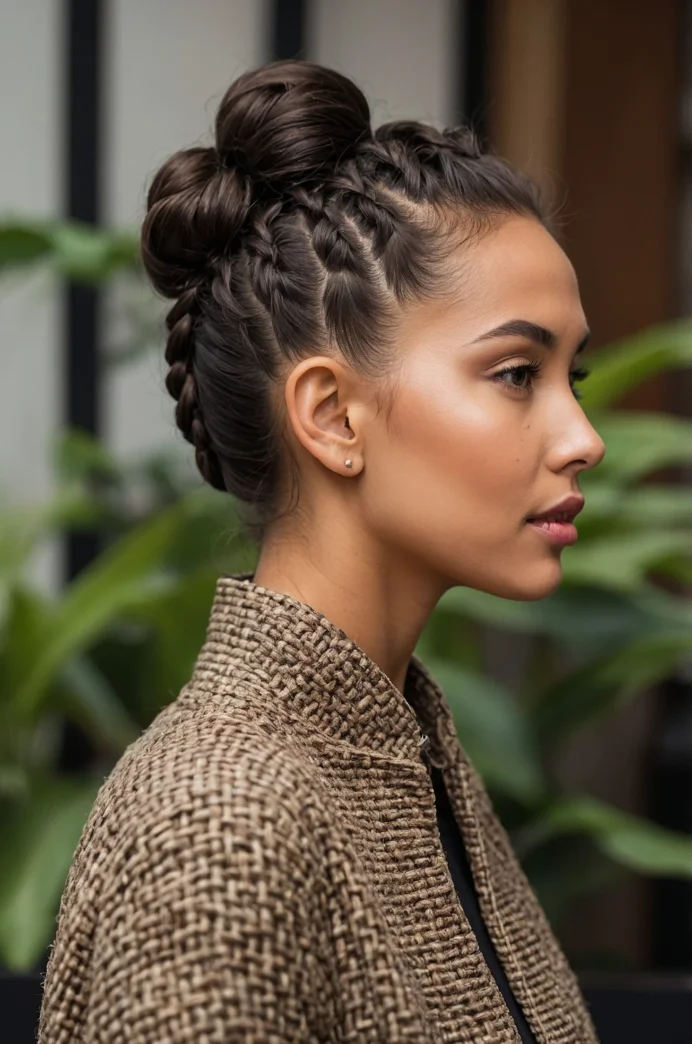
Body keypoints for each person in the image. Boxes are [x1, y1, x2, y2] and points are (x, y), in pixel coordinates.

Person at [39, 59, 606, 1043]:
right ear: (332, 414)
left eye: (571, 375)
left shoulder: (408, 762)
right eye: (516, 373)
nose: (581, 435)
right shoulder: (220, 830)